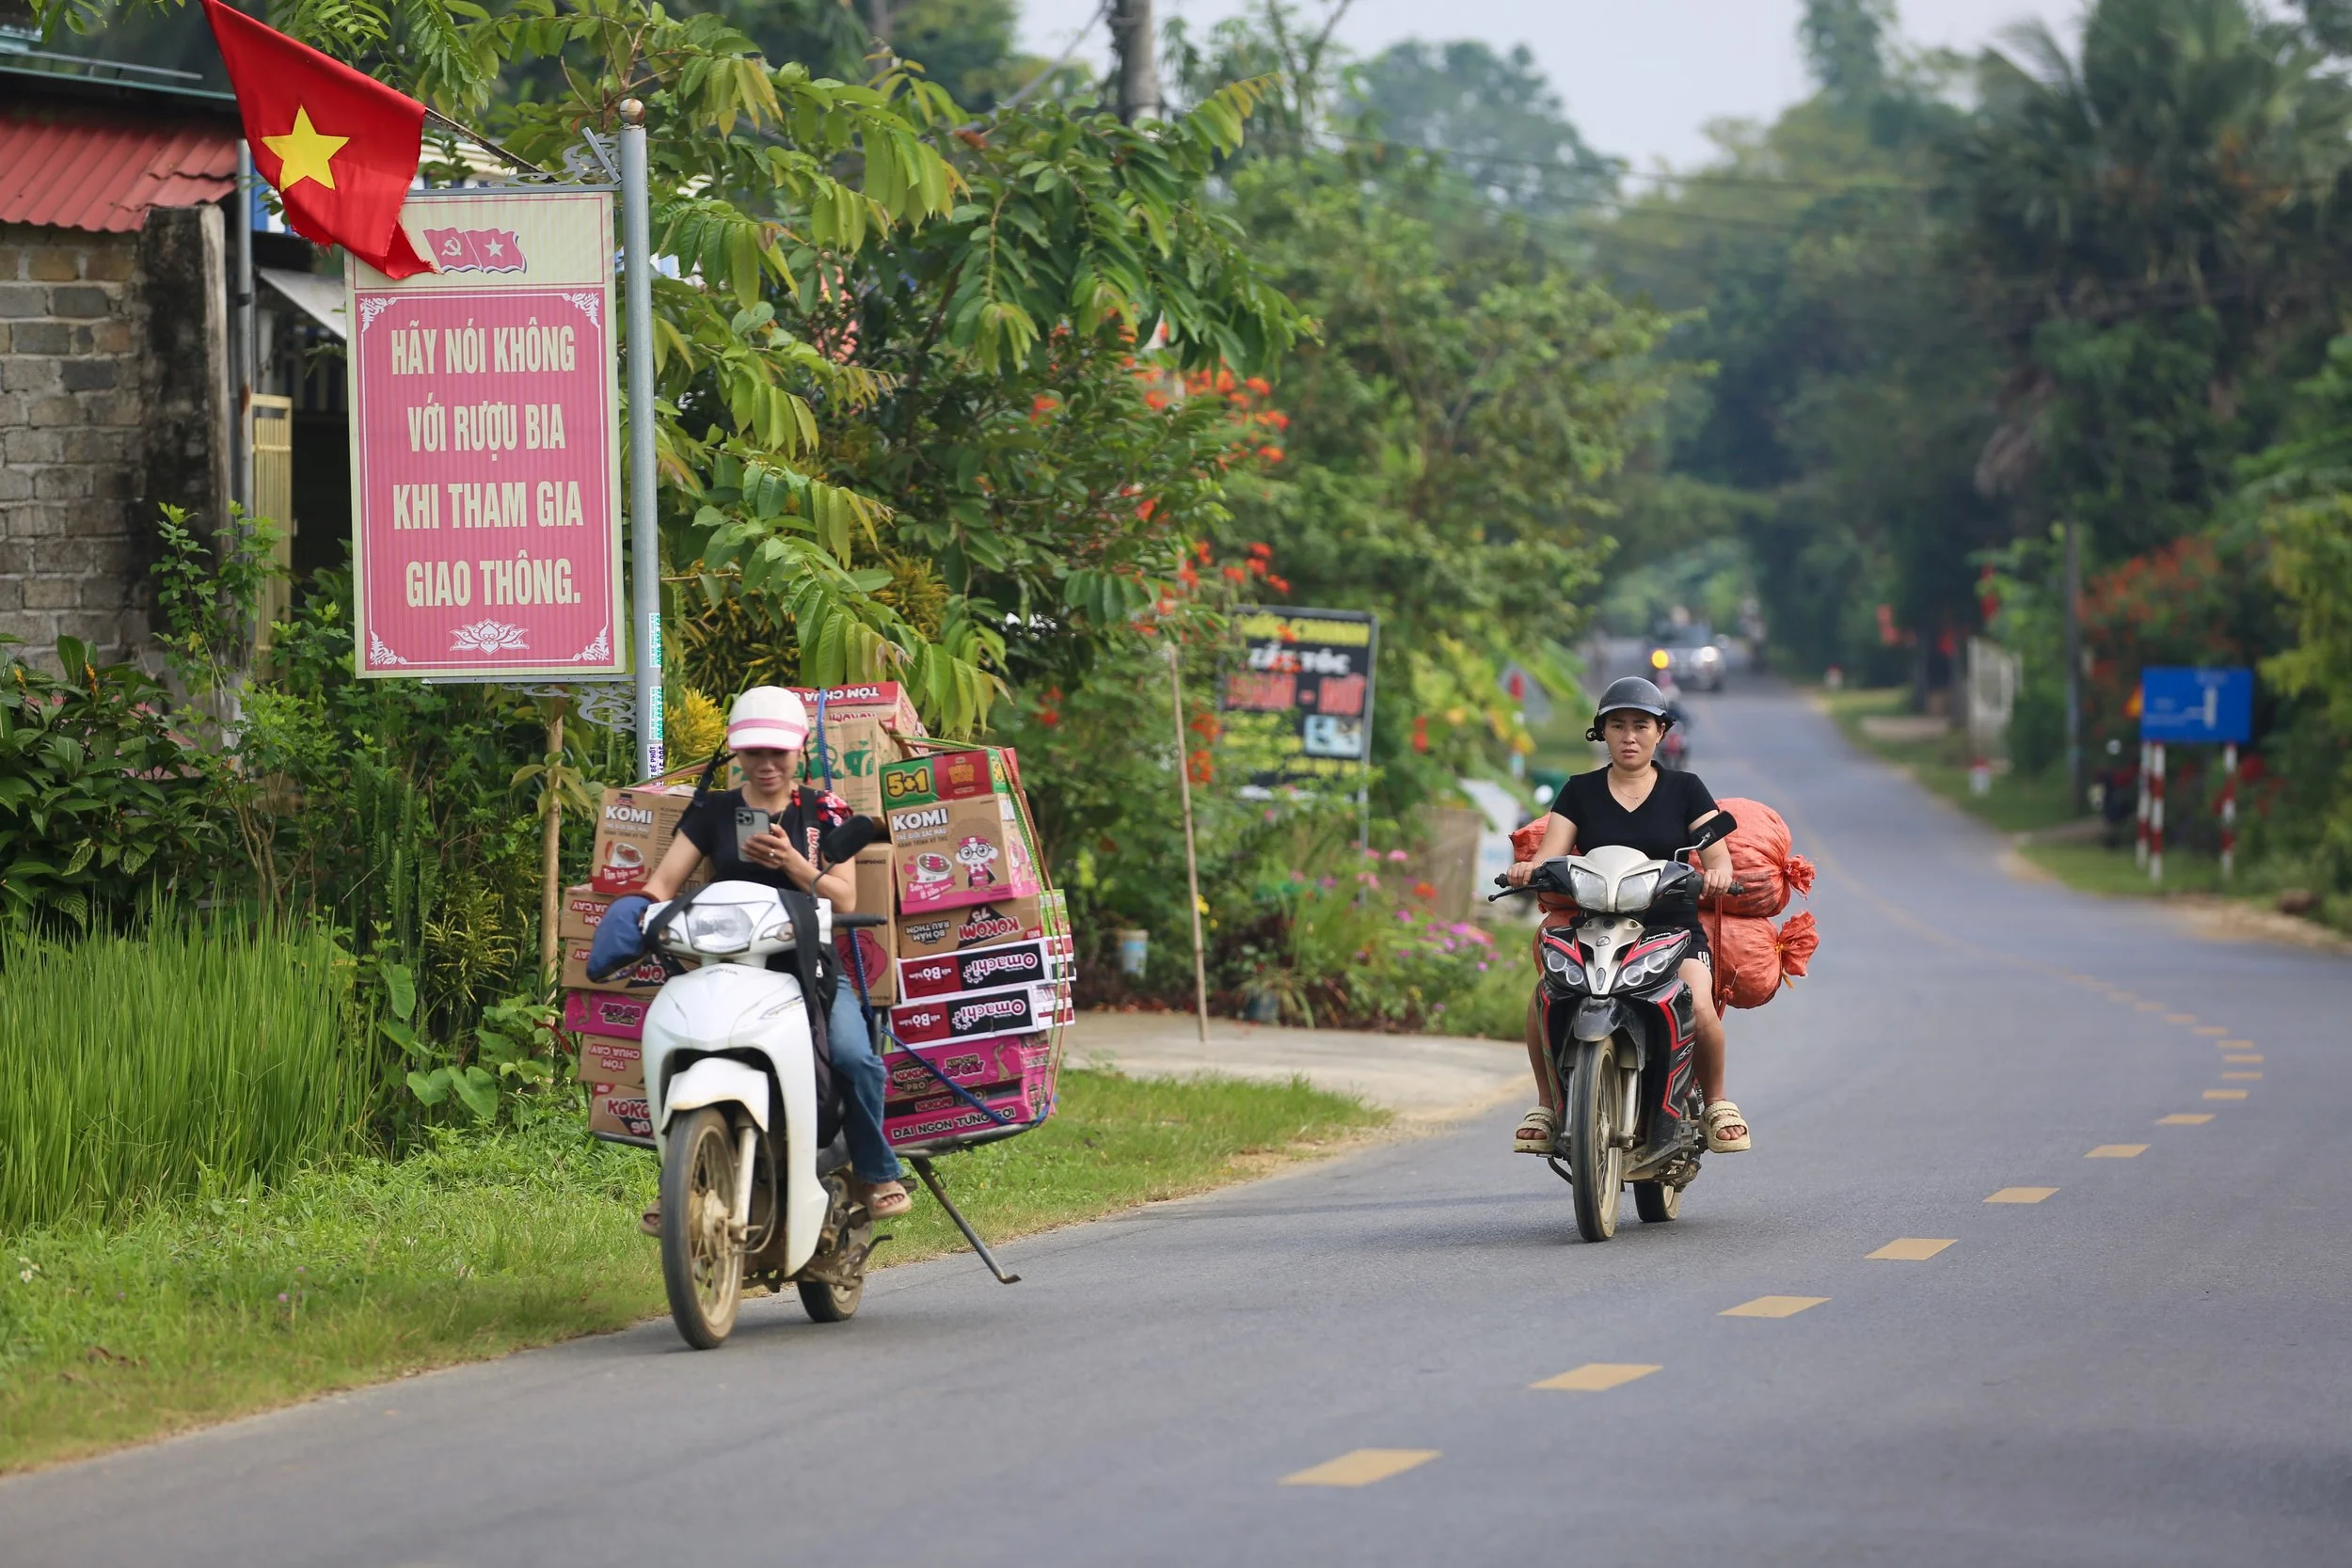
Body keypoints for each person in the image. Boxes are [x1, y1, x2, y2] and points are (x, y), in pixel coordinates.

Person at [640, 687, 913, 1219]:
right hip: (726, 968)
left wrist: (791, 862)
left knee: (855, 1058)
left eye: (778, 752)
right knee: (678, 1050)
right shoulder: (713, 810)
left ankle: (873, 1171)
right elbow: (663, 883)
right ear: (736, 754)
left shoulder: (826, 811)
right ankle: (679, 1181)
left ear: (800, 749)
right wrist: (637, 913)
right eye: (753, 752)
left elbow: (844, 898)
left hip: (810, 968)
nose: (766, 764)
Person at [1503, 675, 1751, 1158]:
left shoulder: (1685, 789)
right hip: (1596, 926)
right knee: (1544, 998)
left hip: (1672, 929)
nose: (1629, 736)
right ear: (1602, 732)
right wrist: (1528, 869)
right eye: (1617, 725)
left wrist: (1718, 875)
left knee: (1698, 1005)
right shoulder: (1579, 791)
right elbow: (1551, 854)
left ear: (1661, 731)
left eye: (1641, 725)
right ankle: (1547, 1107)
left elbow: (1718, 858)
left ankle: (1718, 1103)